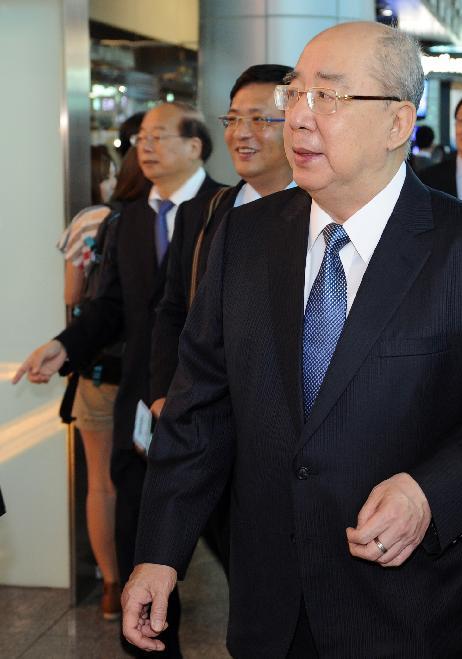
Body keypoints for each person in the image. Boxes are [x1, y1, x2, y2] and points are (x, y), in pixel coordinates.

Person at [121, 22, 462, 658]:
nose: (298, 118)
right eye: (294, 95)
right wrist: (160, 553)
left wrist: (430, 492)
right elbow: (197, 410)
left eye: (329, 97)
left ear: (398, 122)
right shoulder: (243, 239)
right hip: (270, 606)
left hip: (409, 611)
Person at [14, 102, 222, 657]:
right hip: (139, 404)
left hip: (217, 404)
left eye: (158, 136)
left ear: (195, 146)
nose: (144, 147)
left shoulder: (229, 209)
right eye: (139, 139)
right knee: (140, 531)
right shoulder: (127, 218)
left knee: (233, 538)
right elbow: (110, 307)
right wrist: (64, 346)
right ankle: (152, 645)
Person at [148, 63, 296, 573]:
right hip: (208, 422)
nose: (242, 134)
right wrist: (166, 393)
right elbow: (172, 311)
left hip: (284, 436)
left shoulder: (323, 216)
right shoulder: (206, 212)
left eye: (260, 120)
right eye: (233, 119)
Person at [55, 145, 146, 622]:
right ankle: (150, 580)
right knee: (151, 481)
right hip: (150, 372)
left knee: (101, 484)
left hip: (98, 368)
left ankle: (112, 585)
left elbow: (72, 296)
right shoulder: (164, 219)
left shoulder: (92, 219)